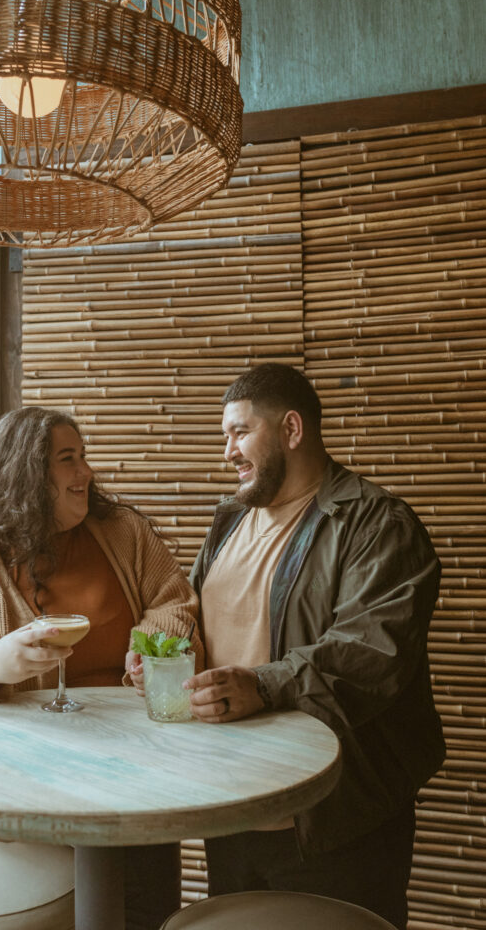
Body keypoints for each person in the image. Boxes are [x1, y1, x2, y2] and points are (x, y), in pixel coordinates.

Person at [0, 404, 203, 930]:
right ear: (26, 473)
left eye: (83, 457)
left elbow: (174, 601)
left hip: (138, 776)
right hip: (19, 794)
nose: (86, 473)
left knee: (151, 912)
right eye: (68, 460)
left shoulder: (121, 532)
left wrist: (149, 647)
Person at [182, 362, 445, 930]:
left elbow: (372, 653)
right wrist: (164, 657)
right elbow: (197, 619)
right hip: (232, 808)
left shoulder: (380, 524)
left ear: (292, 430)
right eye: (224, 435)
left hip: (335, 818)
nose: (227, 451)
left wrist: (262, 684)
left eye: (239, 432)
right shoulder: (228, 521)